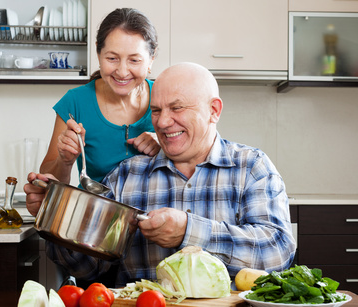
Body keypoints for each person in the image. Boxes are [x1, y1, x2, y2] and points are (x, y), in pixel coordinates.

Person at [25, 62, 296, 288]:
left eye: (177, 108)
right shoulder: (126, 176)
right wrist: (55, 219)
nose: (164, 122)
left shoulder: (251, 167)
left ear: (214, 111)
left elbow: (278, 253)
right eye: (156, 110)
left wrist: (189, 231)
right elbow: (87, 268)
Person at [40, 8, 160, 187]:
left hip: (153, 214)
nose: (122, 71)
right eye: (112, 58)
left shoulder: (164, 96)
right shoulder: (75, 103)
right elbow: (47, 181)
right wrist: (64, 161)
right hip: (94, 213)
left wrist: (164, 146)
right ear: (98, 53)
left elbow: (194, 162)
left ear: (151, 59)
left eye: (134, 60)